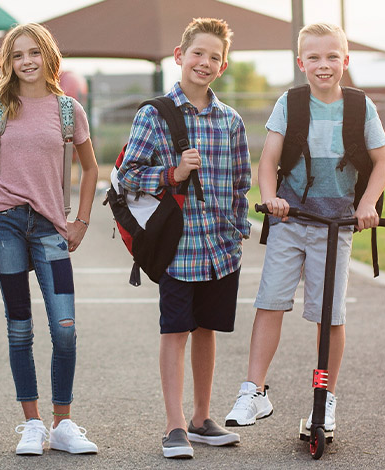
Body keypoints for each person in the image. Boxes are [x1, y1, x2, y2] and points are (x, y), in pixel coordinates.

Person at [224, 23, 385, 434]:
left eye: (332, 57)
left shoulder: (359, 106)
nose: (323, 65)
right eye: (313, 58)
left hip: (337, 224)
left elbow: (383, 162)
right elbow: (268, 161)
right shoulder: (291, 103)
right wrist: (272, 198)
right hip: (292, 220)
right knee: (271, 301)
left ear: (345, 61)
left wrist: (366, 204)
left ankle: (324, 396)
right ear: (301, 64)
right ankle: (254, 391)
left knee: (329, 316)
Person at [0, 23, 101, 457]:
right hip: (4, 224)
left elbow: (91, 168)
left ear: (48, 57)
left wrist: (80, 220)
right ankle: (32, 424)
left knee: (64, 328)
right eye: (18, 54)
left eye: (34, 53)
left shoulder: (67, 110)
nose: (26, 61)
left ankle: (63, 423)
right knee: (19, 327)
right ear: (9, 62)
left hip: (50, 228)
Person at [118, 18, 250, 459]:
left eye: (214, 57)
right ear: (180, 56)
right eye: (198, 53)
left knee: (207, 330)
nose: (205, 62)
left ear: (223, 66)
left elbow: (240, 185)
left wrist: (237, 233)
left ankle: (201, 419)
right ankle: (174, 427)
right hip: (178, 248)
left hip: (219, 249)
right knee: (175, 331)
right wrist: (173, 172)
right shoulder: (154, 114)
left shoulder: (230, 121)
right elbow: (127, 178)